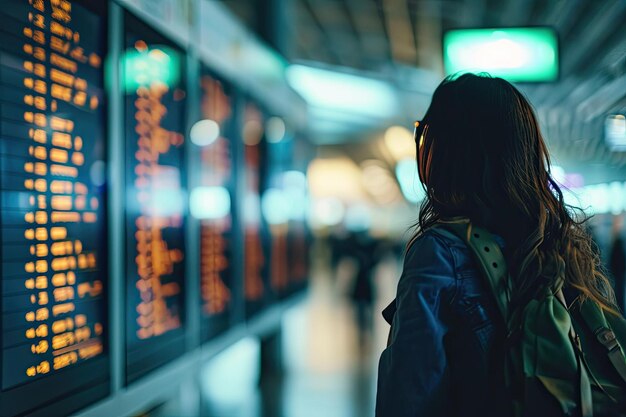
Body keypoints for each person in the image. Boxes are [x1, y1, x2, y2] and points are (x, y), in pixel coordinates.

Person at [375, 73, 621, 417]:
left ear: (448, 151)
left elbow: (408, 393)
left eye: (425, 134)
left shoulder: (439, 253)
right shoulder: (560, 242)